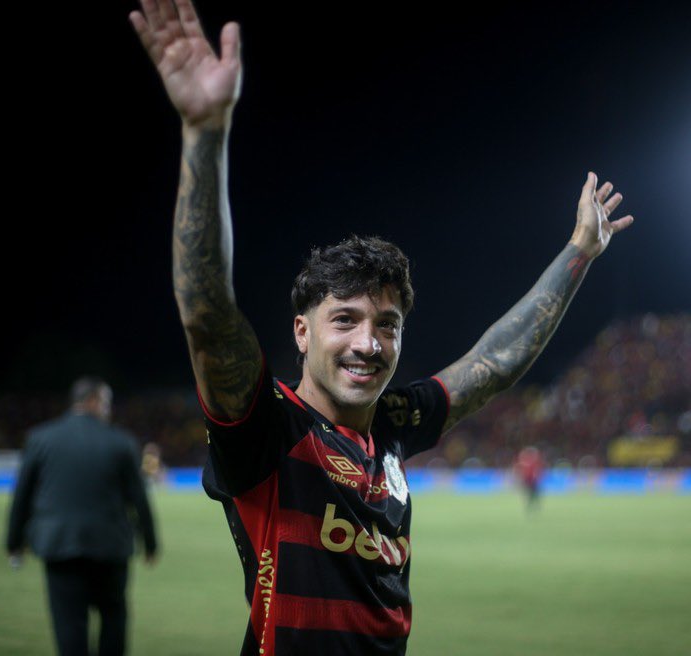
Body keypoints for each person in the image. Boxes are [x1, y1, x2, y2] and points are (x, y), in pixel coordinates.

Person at [129, 1, 633, 653]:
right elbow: (207, 315)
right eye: (345, 320)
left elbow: (495, 362)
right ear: (302, 332)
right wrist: (205, 132)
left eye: (387, 325)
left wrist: (579, 252)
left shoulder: (392, 425)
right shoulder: (266, 430)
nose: (368, 343)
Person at [6, 377, 159, 656]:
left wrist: (14, 542)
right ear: (93, 401)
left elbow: (22, 496)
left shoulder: (41, 438)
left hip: (60, 546)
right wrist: (150, 543)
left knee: (69, 624)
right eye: (106, 403)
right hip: (111, 548)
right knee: (113, 620)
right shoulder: (121, 442)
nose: (108, 410)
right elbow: (139, 499)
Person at [515, 445, 546, 512]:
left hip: (532, 480)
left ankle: (532, 506)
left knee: (533, 494)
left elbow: (538, 470)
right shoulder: (528, 461)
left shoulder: (530, 461)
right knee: (531, 494)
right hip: (529, 480)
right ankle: (531, 506)